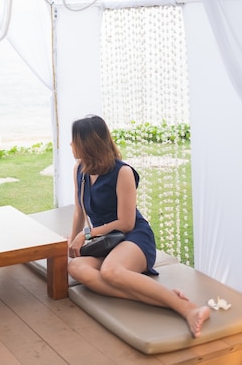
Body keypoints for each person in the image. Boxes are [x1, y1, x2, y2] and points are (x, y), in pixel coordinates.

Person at [68, 114, 210, 339]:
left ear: (88, 143)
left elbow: (126, 223)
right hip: (106, 242)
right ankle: (161, 298)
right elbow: (78, 211)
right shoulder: (80, 169)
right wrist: (71, 242)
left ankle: (189, 309)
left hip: (133, 237)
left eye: (74, 139)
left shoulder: (122, 172)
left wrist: (86, 234)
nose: (70, 144)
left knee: (110, 271)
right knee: (76, 268)